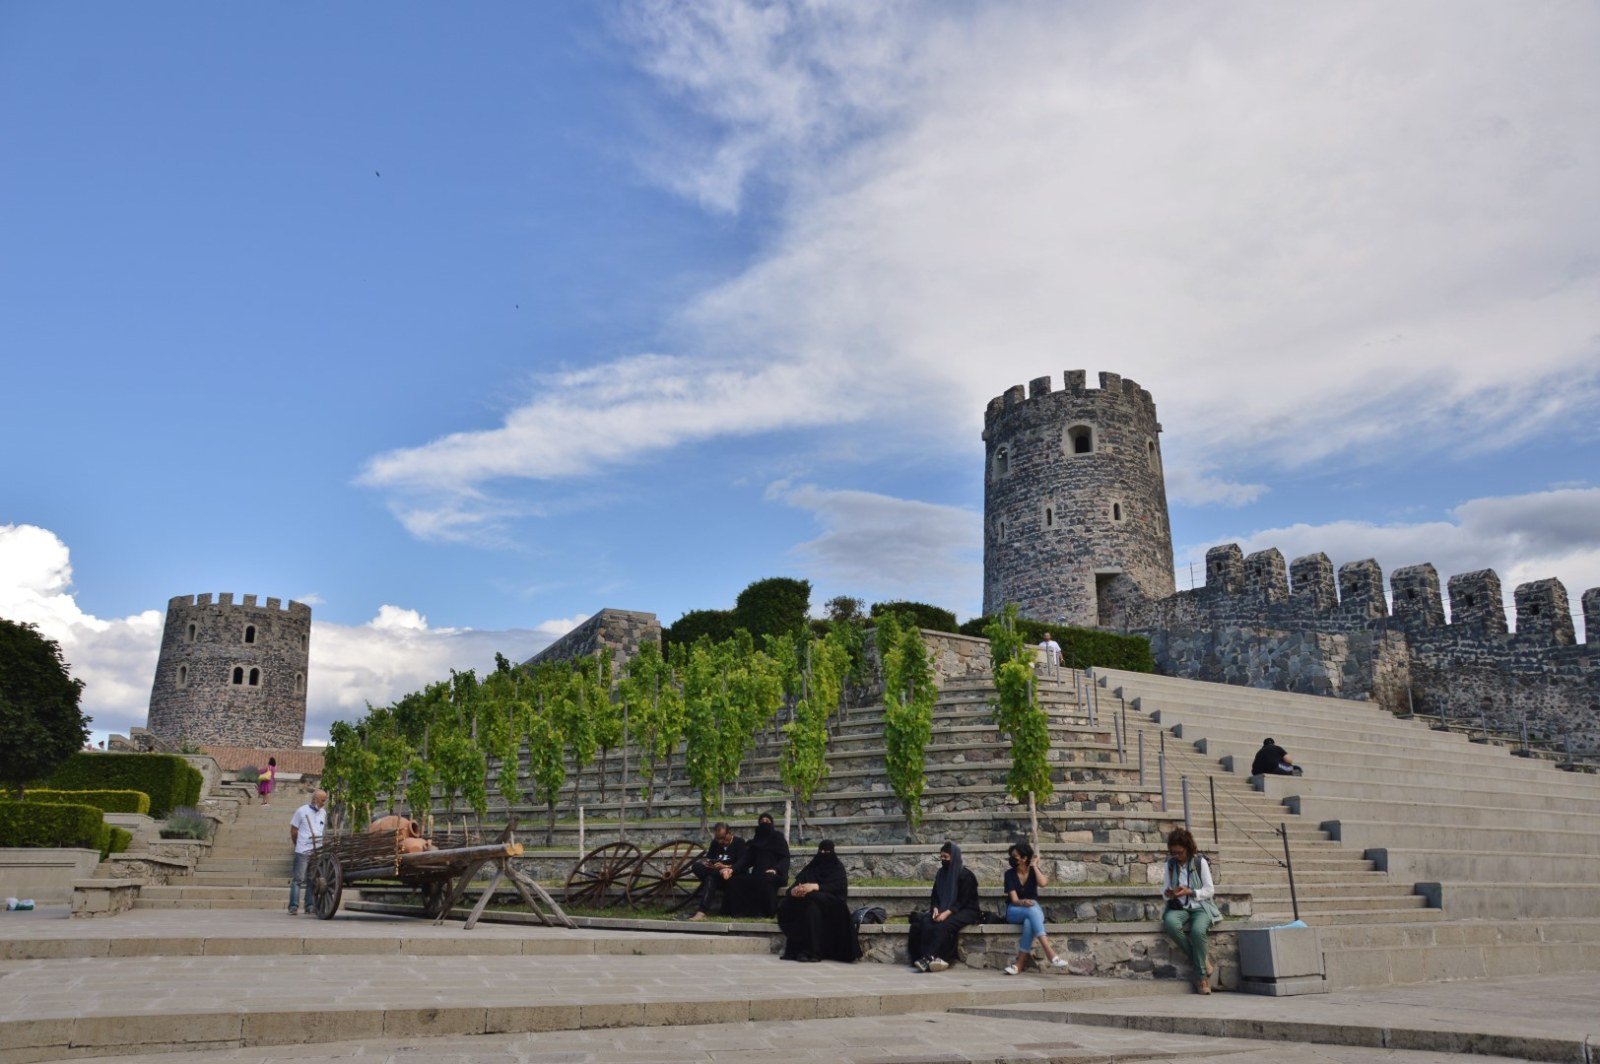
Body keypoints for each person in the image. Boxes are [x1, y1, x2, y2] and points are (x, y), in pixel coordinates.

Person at [1161, 826, 1222, 994]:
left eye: (1180, 852)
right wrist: (1168, 893)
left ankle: (1201, 978)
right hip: (1179, 907)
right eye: (1173, 852)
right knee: (1170, 923)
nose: (1177, 856)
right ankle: (1203, 962)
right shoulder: (1170, 865)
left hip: (1201, 907)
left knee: (1197, 931)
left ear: (1188, 848)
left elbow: (1209, 890)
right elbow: (1164, 889)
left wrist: (1191, 892)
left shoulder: (1199, 862)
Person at [776, 839, 858, 962]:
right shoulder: (812, 867)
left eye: (827, 851)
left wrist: (814, 887)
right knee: (789, 904)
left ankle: (813, 952)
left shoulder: (837, 868)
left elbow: (838, 887)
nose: (824, 854)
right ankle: (799, 950)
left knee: (812, 907)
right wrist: (795, 891)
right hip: (809, 903)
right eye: (821, 851)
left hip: (832, 904)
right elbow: (794, 886)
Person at [907, 841, 981, 972]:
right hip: (944, 908)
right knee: (925, 922)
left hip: (966, 910)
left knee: (944, 925)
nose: (943, 860)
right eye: (941, 857)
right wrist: (935, 909)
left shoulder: (966, 875)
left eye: (946, 857)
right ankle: (920, 957)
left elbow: (963, 901)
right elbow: (935, 896)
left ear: (954, 857)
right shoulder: (941, 874)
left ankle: (931, 958)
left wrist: (947, 913)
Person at [1002, 841, 1069, 974]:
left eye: (1015, 856)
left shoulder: (1033, 871)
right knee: (1032, 910)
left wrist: (1034, 865)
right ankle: (1050, 953)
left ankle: (1018, 965)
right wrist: (1023, 902)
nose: (1011, 859)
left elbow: (1043, 883)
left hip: (1032, 909)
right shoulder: (1009, 874)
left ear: (1024, 858)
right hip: (1014, 910)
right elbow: (1014, 900)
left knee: (1029, 922)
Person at [721, 812, 790, 917]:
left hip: (776, 875)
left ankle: (766, 912)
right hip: (758, 874)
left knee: (766, 879)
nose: (764, 823)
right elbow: (746, 859)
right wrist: (732, 869)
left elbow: (785, 858)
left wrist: (776, 869)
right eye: (762, 821)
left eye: (767, 821)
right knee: (735, 880)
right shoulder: (755, 841)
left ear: (772, 824)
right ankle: (739, 912)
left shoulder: (778, 838)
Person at [680, 821, 744, 920]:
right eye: (717, 838)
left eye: (722, 838)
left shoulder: (739, 842)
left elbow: (742, 864)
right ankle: (701, 913)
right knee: (697, 867)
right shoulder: (715, 843)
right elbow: (709, 858)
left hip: (731, 877)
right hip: (717, 874)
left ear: (729, 833)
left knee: (710, 878)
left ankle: (701, 913)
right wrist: (710, 864)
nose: (720, 841)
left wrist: (725, 867)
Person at [287, 789, 328, 916]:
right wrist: (298, 844)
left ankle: (309, 906)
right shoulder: (301, 811)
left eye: (325, 800)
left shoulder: (323, 813)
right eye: (322, 800)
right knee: (298, 879)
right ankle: (293, 906)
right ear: (315, 799)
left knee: (312, 879)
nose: (324, 803)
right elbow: (293, 831)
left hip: (316, 851)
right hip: (303, 850)